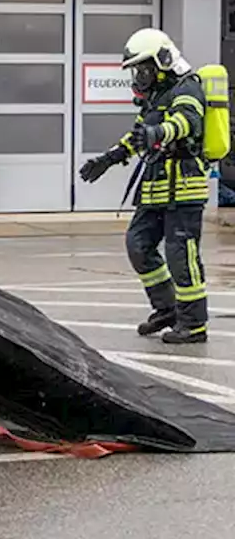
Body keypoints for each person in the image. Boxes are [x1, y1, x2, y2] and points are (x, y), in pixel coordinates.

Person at [79, 27, 210, 344]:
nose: (139, 76)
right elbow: (139, 134)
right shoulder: (155, 99)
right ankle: (166, 309)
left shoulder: (187, 88)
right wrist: (110, 158)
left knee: (182, 255)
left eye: (143, 69)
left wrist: (161, 133)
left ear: (162, 61)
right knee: (138, 245)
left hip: (184, 188)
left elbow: (188, 121)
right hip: (155, 189)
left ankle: (194, 324)